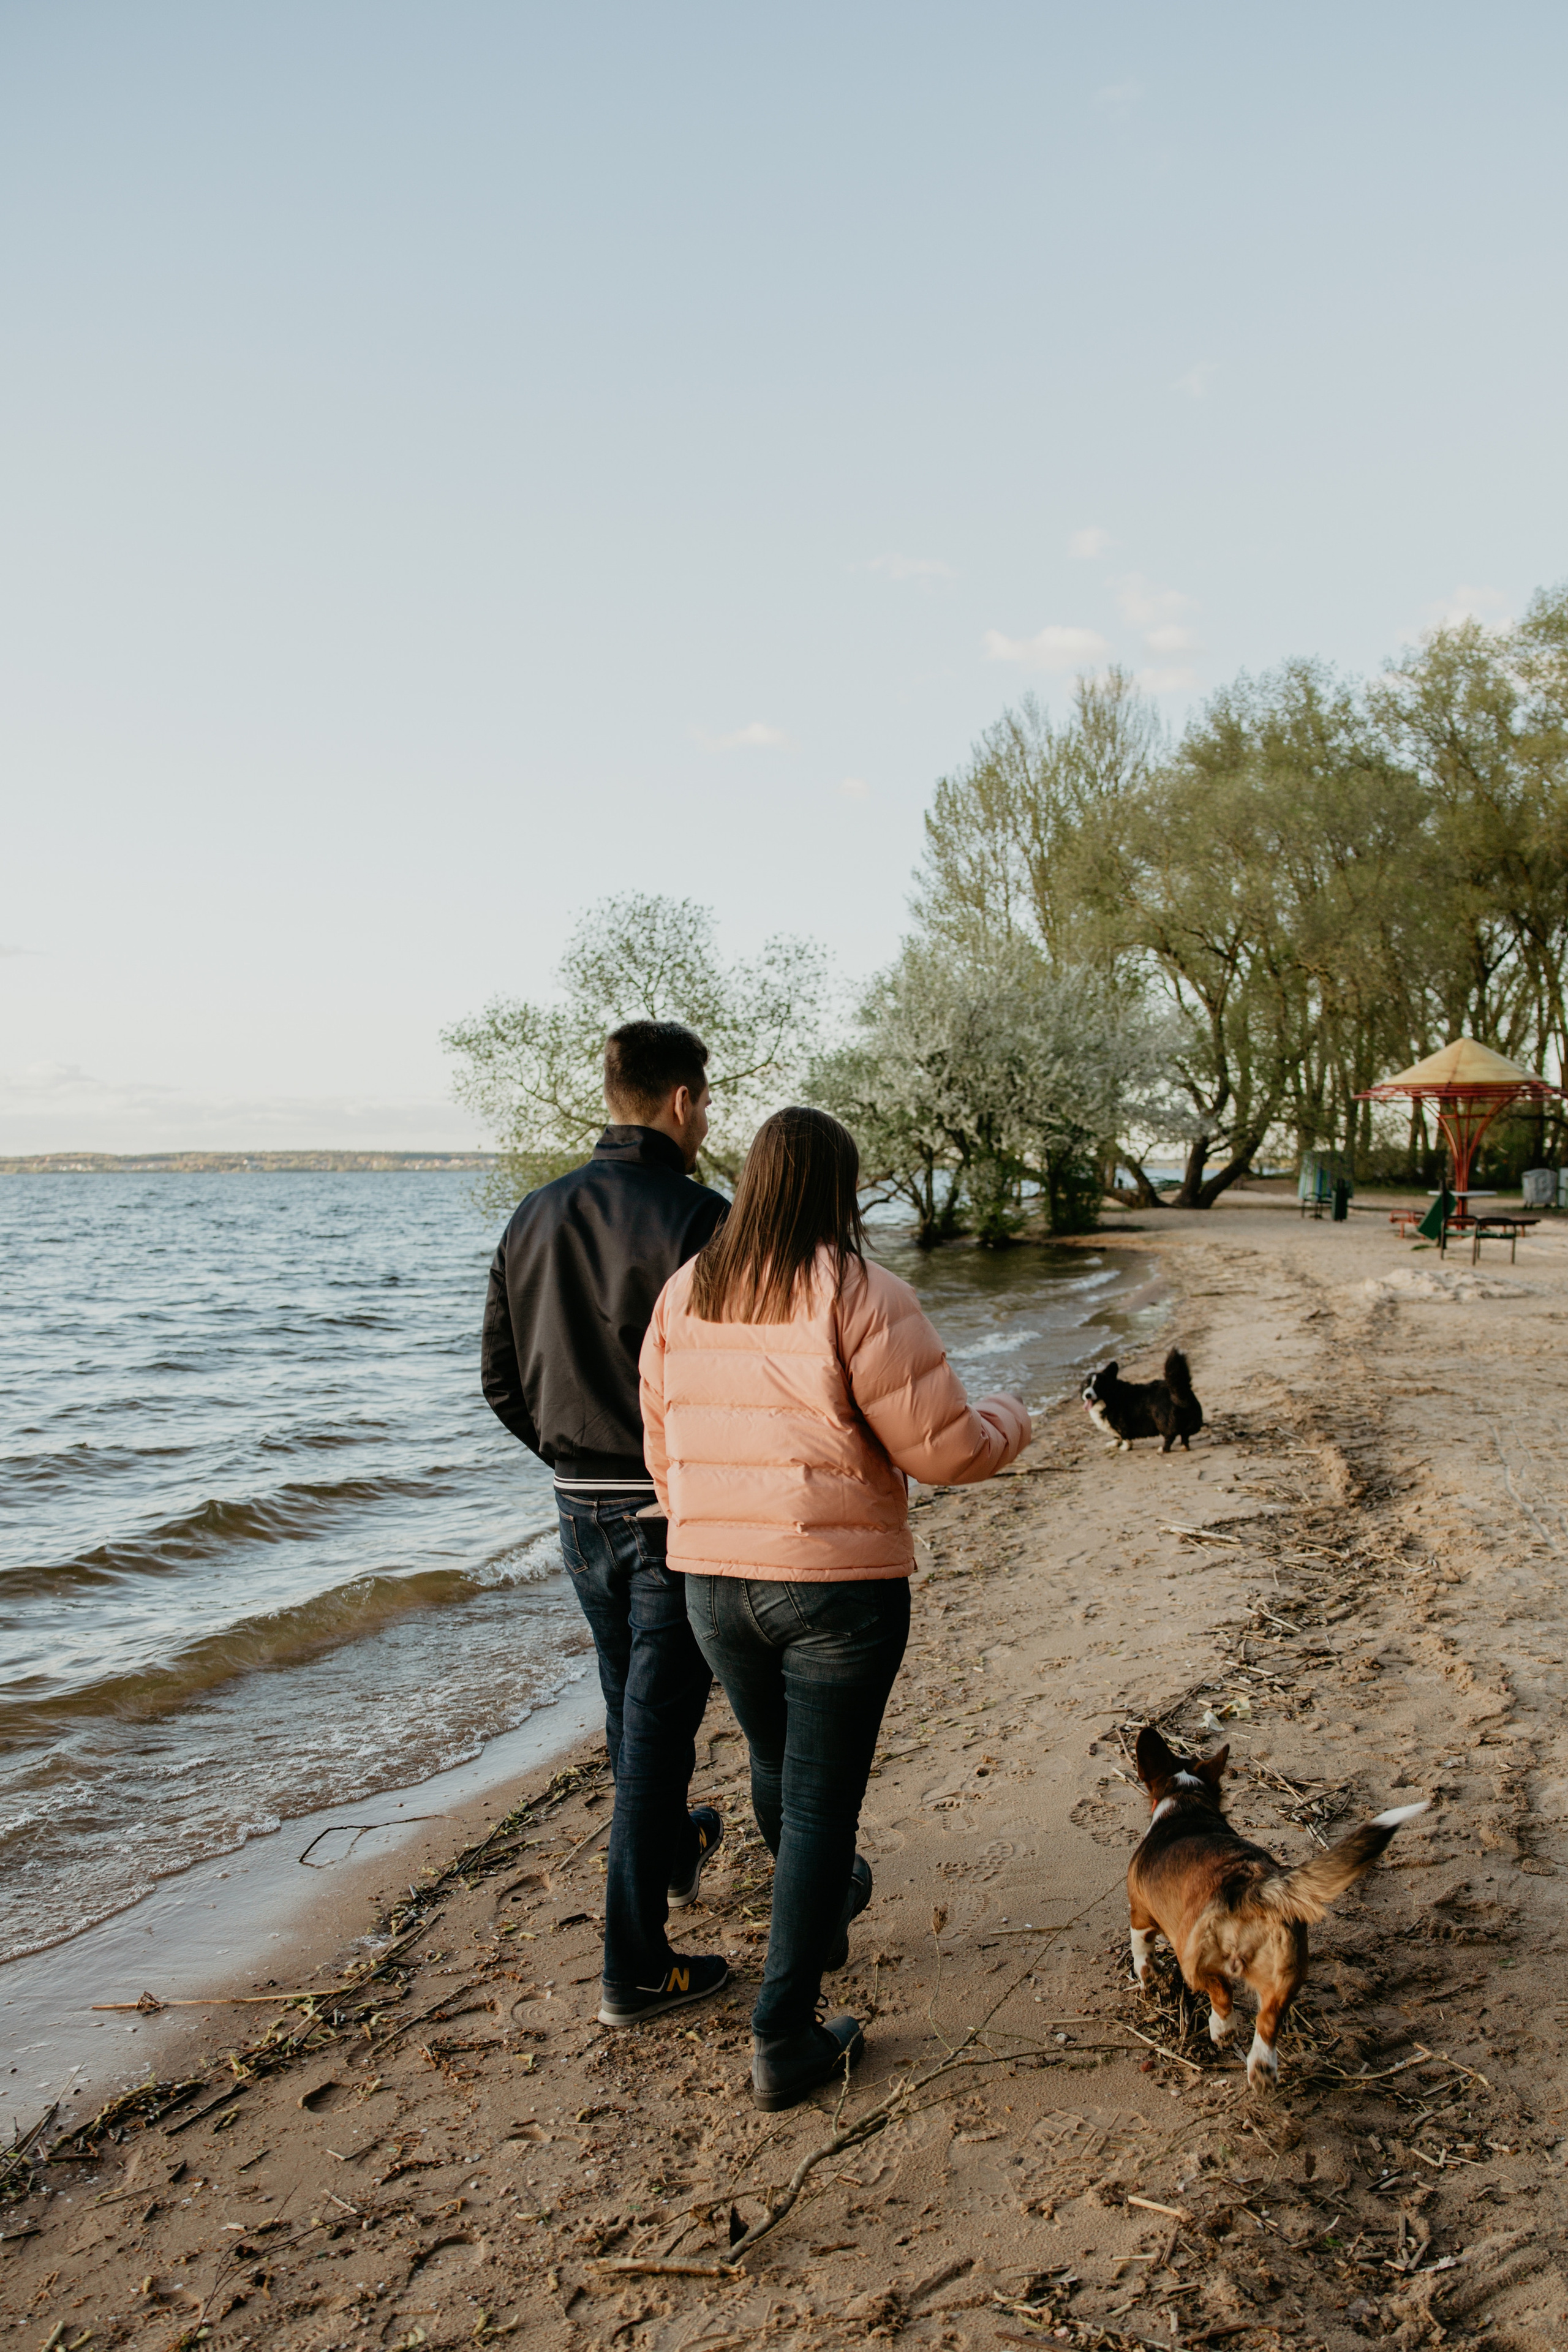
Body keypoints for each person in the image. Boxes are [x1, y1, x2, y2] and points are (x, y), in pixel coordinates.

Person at [639, 1106, 1030, 2110]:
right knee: (817, 1804)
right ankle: (784, 2032)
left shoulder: (688, 1292)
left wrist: (702, 1530)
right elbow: (944, 1451)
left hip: (712, 1582)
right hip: (835, 1593)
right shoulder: (859, 1289)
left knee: (777, 1767)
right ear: (837, 1188)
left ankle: (826, 1914)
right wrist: (1010, 1420)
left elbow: (661, 1443)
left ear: (755, 1179)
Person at [481, 1019, 731, 2026]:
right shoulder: (705, 1217)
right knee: (653, 1739)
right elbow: (739, 1377)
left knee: (635, 1708)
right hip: (670, 1506)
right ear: (681, 1102)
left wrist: (568, 1456)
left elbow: (501, 1380)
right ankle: (635, 1972)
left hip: (576, 1506)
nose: (708, 1119)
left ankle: (673, 1852)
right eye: (707, 1102)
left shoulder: (530, 1216)